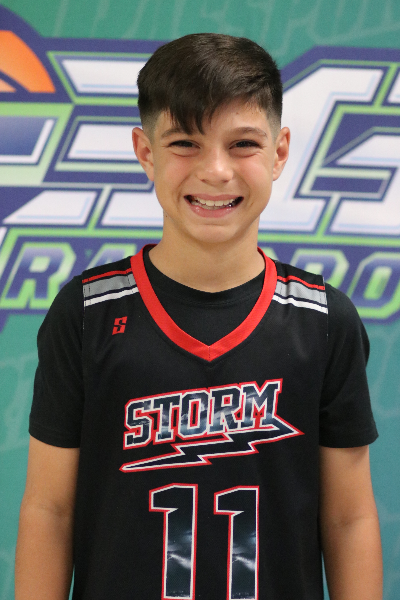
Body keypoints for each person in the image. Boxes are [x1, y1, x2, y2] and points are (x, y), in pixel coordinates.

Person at [15, 33, 382, 600]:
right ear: (145, 152)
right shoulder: (86, 314)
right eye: (185, 142)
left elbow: (349, 518)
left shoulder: (323, 320)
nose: (215, 170)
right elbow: (50, 509)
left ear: (280, 152)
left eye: (243, 144)